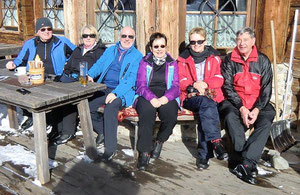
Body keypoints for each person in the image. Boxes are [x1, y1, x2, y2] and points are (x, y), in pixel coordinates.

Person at [219, 27, 275, 185]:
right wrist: (242, 108)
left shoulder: (263, 61)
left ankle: (245, 162)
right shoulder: (230, 60)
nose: (241, 43)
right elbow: (228, 88)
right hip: (235, 102)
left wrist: (256, 110)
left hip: (257, 103)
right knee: (230, 116)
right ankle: (244, 162)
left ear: (253, 41)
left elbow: (267, 90)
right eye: (238, 40)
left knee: (268, 117)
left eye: (245, 40)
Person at [6, 17, 76, 134]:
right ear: (37, 32)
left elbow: (76, 55)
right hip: (34, 78)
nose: (47, 32)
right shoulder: (30, 43)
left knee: (56, 100)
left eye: (49, 29)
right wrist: (12, 63)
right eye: (43, 29)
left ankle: (52, 124)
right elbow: (20, 59)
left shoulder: (62, 41)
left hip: (55, 78)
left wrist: (68, 66)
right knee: (19, 91)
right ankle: (32, 116)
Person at [88, 26, 143, 161]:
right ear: (119, 37)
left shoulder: (137, 56)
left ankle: (110, 149)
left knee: (111, 108)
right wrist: (89, 75)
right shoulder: (111, 50)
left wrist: (116, 93)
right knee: (88, 106)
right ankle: (102, 131)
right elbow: (99, 65)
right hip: (105, 87)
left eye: (130, 37)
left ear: (134, 39)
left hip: (123, 91)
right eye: (124, 36)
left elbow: (131, 79)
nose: (127, 39)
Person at [177, 27, 228, 170]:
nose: (196, 45)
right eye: (193, 42)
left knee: (206, 109)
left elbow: (219, 78)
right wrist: (193, 85)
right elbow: (180, 81)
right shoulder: (183, 59)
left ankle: (204, 155)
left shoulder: (214, 57)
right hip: (190, 96)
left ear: (205, 41)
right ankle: (216, 142)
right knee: (207, 105)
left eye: (199, 41)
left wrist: (205, 84)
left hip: (209, 95)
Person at [53, 24, 106, 145]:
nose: (88, 38)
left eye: (91, 36)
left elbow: (99, 71)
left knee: (69, 99)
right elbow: (68, 66)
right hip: (72, 80)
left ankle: (68, 131)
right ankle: (58, 129)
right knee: (56, 97)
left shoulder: (100, 52)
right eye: (85, 36)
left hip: (89, 84)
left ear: (96, 37)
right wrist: (66, 76)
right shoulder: (78, 50)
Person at [134, 32, 180, 170]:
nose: (159, 49)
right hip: (148, 94)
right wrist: (152, 98)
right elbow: (140, 84)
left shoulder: (172, 63)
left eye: (162, 46)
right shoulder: (144, 62)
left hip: (166, 94)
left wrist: (166, 98)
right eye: (156, 46)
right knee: (147, 114)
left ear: (166, 47)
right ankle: (145, 151)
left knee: (171, 115)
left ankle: (160, 140)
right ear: (151, 48)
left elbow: (176, 86)